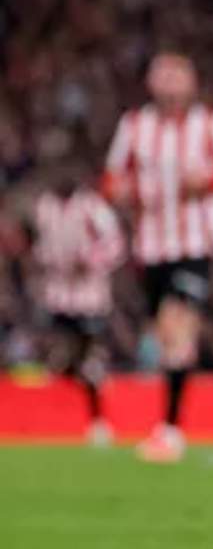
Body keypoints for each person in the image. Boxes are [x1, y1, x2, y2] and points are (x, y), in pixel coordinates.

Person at [102, 52, 213, 463]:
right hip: (150, 245)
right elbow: (111, 178)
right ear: (151, 83)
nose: (169, 83)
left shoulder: (211, 125)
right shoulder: (134, 126)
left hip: (196, 244)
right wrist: (120, 191)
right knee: (170, 340)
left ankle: (169, 431)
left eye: (177, 75)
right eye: (162, 75)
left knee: (175, 327)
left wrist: (210, 182)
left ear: (191, 82)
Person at [32, 164, 125, 445]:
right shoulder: (45, 207)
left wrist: (90, 261)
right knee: (60, 358)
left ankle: (98, 421)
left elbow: (115, 244)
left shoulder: (91, 206)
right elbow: (41, 245)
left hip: (88, 297)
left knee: (88, 358)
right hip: (57, 294)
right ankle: (59, 416)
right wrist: (50, 261)